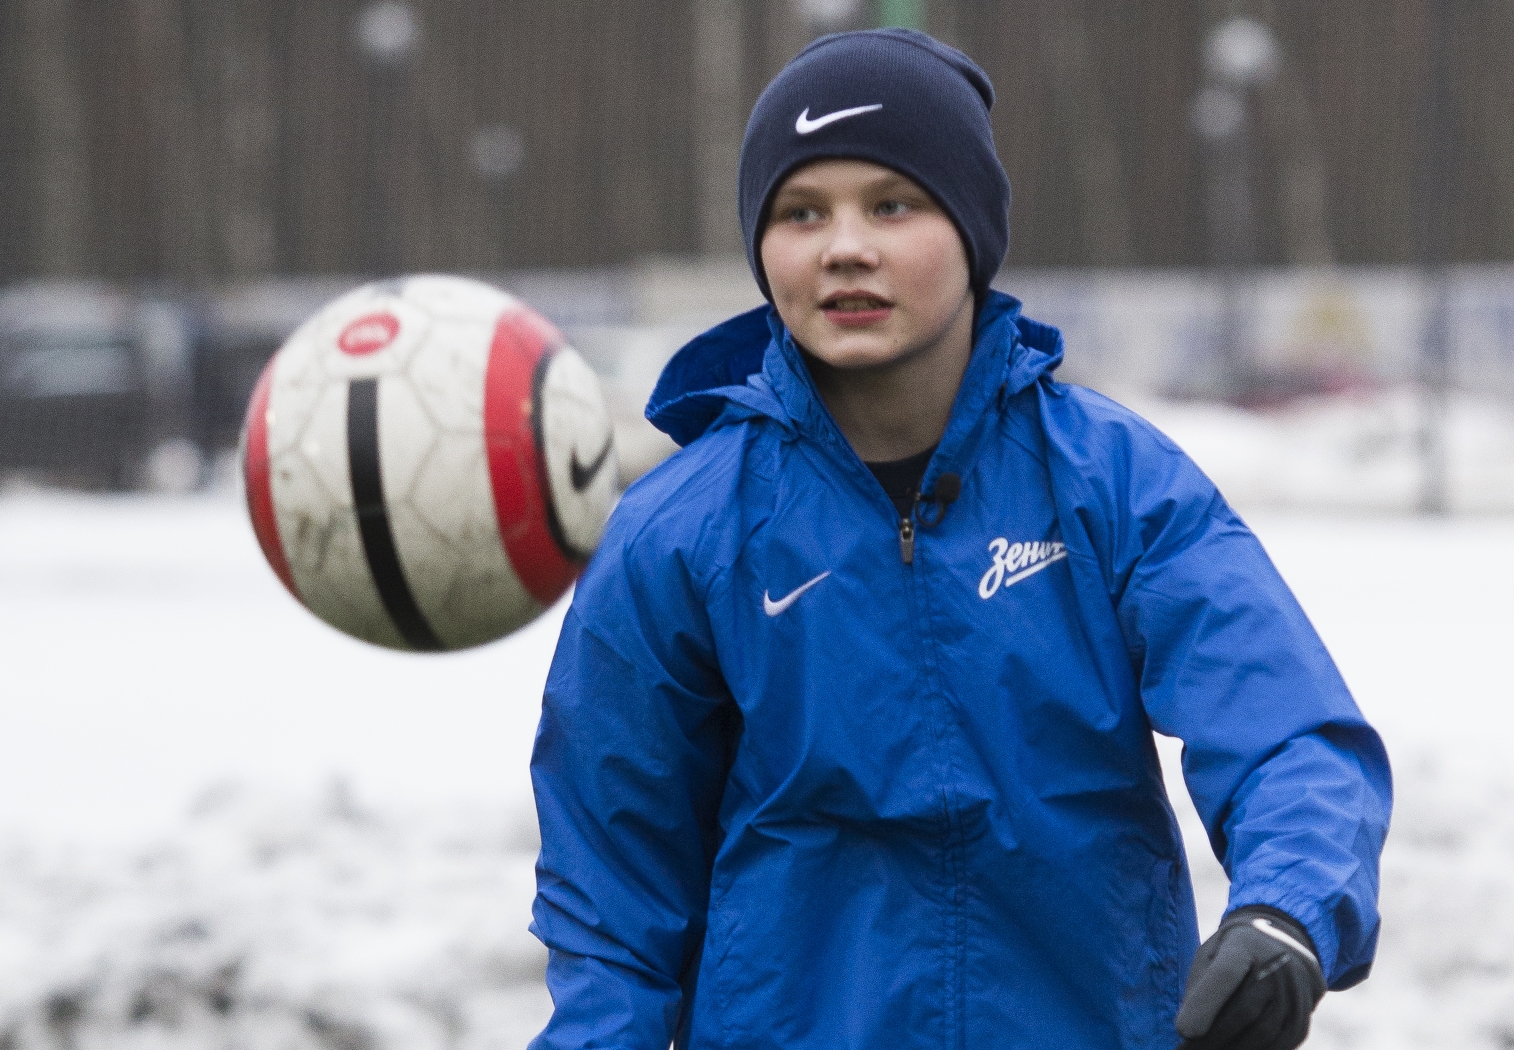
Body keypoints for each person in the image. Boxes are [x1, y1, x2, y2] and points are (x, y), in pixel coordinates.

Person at [529, 28, 1390, 1050]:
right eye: (801, 213)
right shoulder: (679, 535)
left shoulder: (1114, 486)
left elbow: (1289, 733)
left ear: (973, 232)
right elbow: (611, 901)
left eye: (891, 204)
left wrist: (1285, 911)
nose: (844, 247)